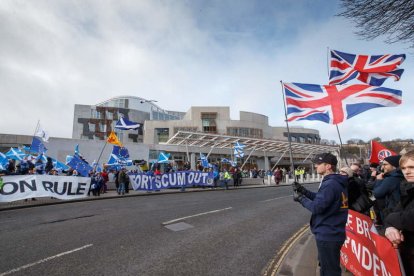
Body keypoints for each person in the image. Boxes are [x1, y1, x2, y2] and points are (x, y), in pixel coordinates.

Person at [292, 153, 348, 276]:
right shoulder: (335, 182)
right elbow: (322, 199)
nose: (315, 165)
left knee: (329, 272)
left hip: (328, 233)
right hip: (333, 231)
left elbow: (317, 207)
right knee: (327, 268)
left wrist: (301, 199)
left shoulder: (330, 184)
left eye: (318, 163)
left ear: (328, 166)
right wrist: (304, 191)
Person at [384, 151, 414, 275]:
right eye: (403, 168)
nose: (407, 172)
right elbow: (393, 213)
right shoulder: (408, 189)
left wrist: (391, 221)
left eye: (412, 167)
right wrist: (390, 227)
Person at [373, 155, 404, 222]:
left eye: (385, 164)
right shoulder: (399, 175)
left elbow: (377, 193)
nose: (382, 167)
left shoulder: (391, 179)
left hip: (393, 211)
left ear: (394, 165)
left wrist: (378, 180)